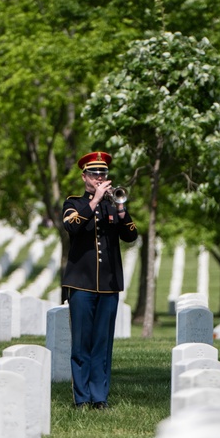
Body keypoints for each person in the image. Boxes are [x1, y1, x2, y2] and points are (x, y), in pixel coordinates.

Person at [61, 151, 138, 410]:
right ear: (84, 177)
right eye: (94, 174)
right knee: (81, 342)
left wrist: (120, 207)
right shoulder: (73, 203)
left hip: (108, 284)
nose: (100, 178)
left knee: (102, 344)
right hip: (81, 284)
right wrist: (93, 200)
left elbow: (131, 235)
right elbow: (72, 226)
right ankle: (81, 398)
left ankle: (99, 397)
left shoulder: (113, 206)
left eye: (103, 174)